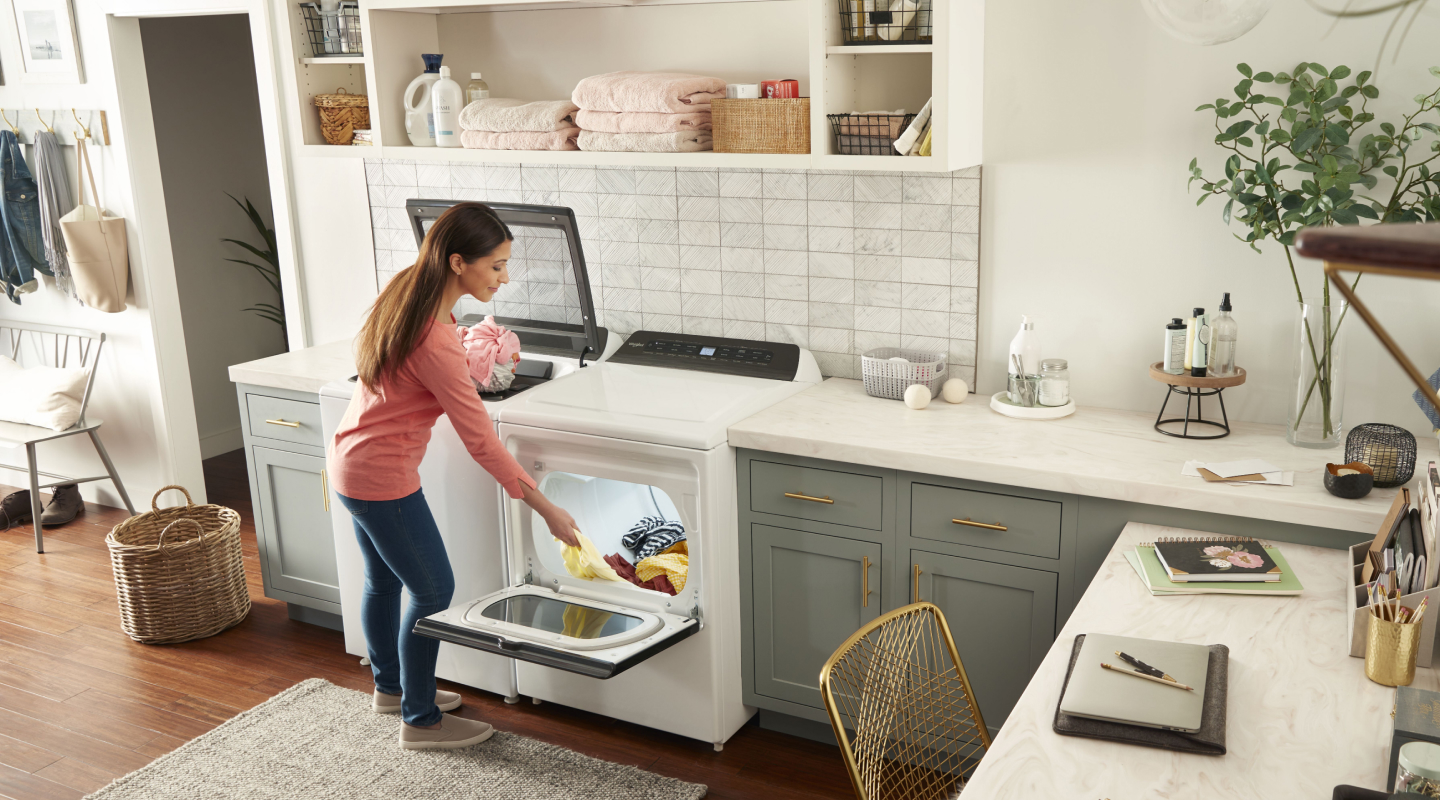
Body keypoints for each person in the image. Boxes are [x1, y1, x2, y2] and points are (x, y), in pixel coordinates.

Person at [328, 202, 581, 750]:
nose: (505, 277)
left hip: (351, 463)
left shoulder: (406, 291)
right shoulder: (438, 340)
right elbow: (481, 442)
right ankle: (420, 722)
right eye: (496, 266)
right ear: (458, 261)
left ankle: (392, 690)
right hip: (383, 479)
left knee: (384, 581)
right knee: (434, 589)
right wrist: (548, 509)